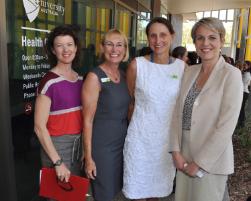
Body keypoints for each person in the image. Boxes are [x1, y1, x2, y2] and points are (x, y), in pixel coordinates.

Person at [170, 17, 243, 201]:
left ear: (222, 41)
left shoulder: (231, 75)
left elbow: (226, 127)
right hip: (184, 153)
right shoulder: (190, 72)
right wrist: (176, 151)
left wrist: (201, 162)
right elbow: (177, 113)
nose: (205, 43)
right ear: (194, 42)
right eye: (200, 38)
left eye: (212, 37)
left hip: (212, 159)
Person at [123, 17, 185, 200]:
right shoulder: (137, 65)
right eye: (153, 36)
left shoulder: (182, 68)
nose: (158, 41)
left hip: (166, 141)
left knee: (157, 192)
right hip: (140, 140)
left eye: (163, 35)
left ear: (172, 36)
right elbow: (131, 100)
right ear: (148, 38)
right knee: (137, 189)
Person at [82, 29, 130, 201]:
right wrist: (88, 157)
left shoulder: (124, 75)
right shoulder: (94, 77)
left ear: (125, 49)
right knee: (105, 194)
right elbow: (87, 121)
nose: (114, 49)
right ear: (102, 47)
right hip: (102, 147)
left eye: (119, 45)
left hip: (122, 143)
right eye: (109, 44)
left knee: (117, 190)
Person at [34, 24, 83, 185]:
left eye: (69, 45)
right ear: (53, 50)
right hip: (57, 147)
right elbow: (39, 127)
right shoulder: (49, 82)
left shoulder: (80, 79)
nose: (65, 50)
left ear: (76, 48)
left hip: (78, 144)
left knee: (74, 194)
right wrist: (57, 162)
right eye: (59, 46)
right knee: (59, 195)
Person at [238, 60, 251, 127]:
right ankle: (242, 121)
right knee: (241, 108)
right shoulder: (245, 73)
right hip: (244, 92)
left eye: (245, 65)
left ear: (248, 66)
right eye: (243, 65)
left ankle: (242, 122)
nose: (243, 66)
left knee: (241, 108)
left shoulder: (247, 74)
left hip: (244, 92)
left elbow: (241, 83)